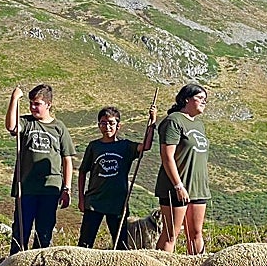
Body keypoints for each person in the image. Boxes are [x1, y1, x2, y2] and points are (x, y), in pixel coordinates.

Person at [5, 84, 75, 253]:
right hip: (26, 187)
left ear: (48, 104)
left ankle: (39, 265)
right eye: (31, 103)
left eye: (37, 104)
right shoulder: (27, 122)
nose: (33, 107)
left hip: (50, 188)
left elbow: (67, 160)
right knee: (21, 230)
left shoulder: (59, 128)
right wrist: (14, 99)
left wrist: (67, 188)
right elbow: (11, 126)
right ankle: (16, 263)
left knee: (44, 232)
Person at [77, 104, 157, 249]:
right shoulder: (94, 146)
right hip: (95, 201)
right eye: (103, 123)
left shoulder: (126, 146)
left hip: (118, 203)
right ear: (98, 125)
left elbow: (145, 146)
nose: (107, 127)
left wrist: (152, 122)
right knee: (85, 242)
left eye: (111, 123)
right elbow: (82, 172)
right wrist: (82, 199)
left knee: (121, 243)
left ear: (118, 126)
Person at [154, 83, 210, 254]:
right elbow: (167, 156)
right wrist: (178, 186)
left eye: (205, 100)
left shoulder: (199, 125)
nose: (204, 102)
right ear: (187, 99)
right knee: (172, 234)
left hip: (198, 187)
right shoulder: (174, 121)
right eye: (200, 98)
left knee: (196, 233)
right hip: (176, 187)